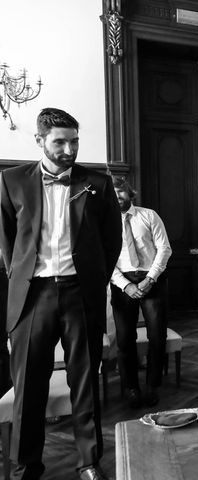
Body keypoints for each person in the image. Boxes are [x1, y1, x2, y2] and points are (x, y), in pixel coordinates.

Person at [0, 108, 122, 480]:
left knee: (84, 381)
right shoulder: (11, 181)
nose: (69, 149)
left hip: (79, 292)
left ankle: (88, 461)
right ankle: (26, 466)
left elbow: (111, 241)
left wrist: (94, 280)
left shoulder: (98, 184)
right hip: (33, 296)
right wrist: (22, 280)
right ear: (39, 141)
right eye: (59, 142)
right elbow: (8, 245)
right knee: (29, 386)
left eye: (74, 141)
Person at [110, 178, 172, 409]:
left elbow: (164, 248)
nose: (117, 196)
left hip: (152, 279)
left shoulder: (149, 215)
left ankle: (152, 386)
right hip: (122, 283)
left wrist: (150, 279)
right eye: (113, 193)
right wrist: (125, 285)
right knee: (125, 339)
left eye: (121, 192)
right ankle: (130, 388)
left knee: (157, 337)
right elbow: (104, 258)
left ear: (130, 193)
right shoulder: (104, 222)